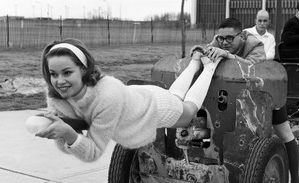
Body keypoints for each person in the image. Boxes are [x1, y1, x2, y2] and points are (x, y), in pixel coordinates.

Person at [35, 38, 219, 163]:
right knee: (176, 97)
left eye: (67, 72)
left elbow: (91, 151)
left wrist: (67, 131)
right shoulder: (56, 95)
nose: (59, 81)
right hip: (138, 96)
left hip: (152, 106)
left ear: (83, 70)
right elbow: (69, 145)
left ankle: (209, 66)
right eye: (53, 74)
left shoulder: (106, 96)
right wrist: (60, 129)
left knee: (187, 113)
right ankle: (195, 62)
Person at [202, 18, 299, 183]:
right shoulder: (219, 41)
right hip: (231, 92)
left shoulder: (256, 45)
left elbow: (252, 69)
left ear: (241, 36)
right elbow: (208, 54)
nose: (224, 42)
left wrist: (227, 55)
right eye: (221, 38)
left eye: (229, 38)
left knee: (285, 134)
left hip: (264, 92)